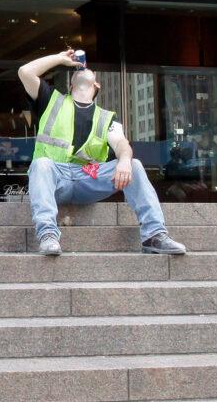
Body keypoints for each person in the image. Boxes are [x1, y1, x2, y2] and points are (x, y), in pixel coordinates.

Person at [18, 50, 186, 256]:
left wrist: (124, 160)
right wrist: (61, 60)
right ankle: (47, 235)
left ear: (96, 86)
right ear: (71, 85)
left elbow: (121, 143)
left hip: (89, 179)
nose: (85, 70)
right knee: (41, 163)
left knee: (134, 164)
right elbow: (25, 71)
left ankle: (154, 235)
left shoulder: (106, 118)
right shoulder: (51, 101)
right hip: (56, 178)